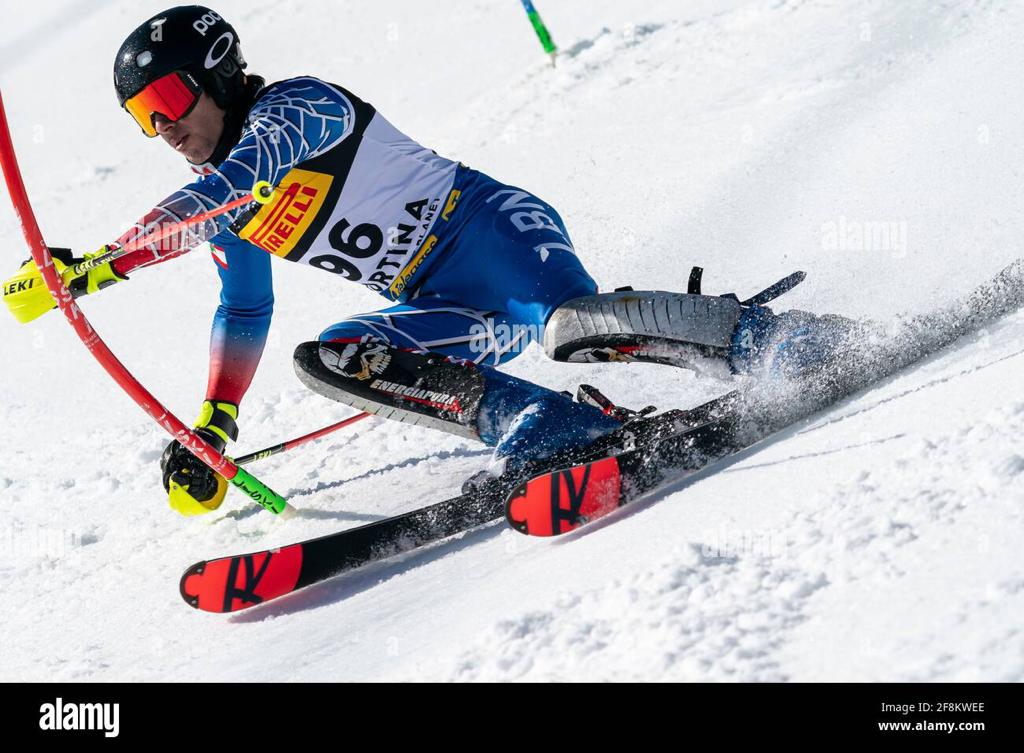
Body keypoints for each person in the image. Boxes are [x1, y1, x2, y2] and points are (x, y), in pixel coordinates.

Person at [3, 6, 829, 517]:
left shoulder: (298, 108)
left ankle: (767, 339)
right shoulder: (223, 205)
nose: (165, 129)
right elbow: (245, 309)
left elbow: (241, 179)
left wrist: (99, 265)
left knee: (573, 328)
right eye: (144, 119)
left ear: (217, 73)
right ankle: (549, 428)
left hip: (493, 237)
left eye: (170, 102)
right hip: (446, 306)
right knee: (329, 356)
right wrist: (214, 422)